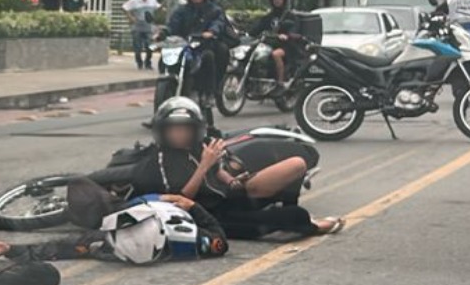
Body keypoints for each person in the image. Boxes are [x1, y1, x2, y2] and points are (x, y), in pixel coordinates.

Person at [107, 97, 343, 239]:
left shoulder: (198, 147)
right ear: (163, 130)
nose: (180, 134)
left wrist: (232, 179)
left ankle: (287, 208)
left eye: (185, 129)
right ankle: (309, 224)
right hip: (212, 214)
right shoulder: (160, 159)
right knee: (292, 216)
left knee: (296, 165)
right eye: (174, 129)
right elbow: (181, 199)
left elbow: (218, 173)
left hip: (228, 197)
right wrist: (204, 166)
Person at [0, 188, 228, 264]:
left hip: (135, 211)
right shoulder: (193, 236)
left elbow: (61, 247)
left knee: (82, 192)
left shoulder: (106, 245)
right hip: (154, 202)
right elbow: (220, 238)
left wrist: (11, 250)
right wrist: (192, 205)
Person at [166, 0, 227, 100]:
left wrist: (211, 32)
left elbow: (218, 22)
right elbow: (172, 26)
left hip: (203, 45)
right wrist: (162, 33)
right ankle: (170, 82)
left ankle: (208, 93)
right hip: (183, 45)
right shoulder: (181, 10)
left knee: (209, 56)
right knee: (167, 56)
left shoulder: (214, 10)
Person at [249, 0, 304, 94]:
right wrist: (246, 33)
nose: (277, 1)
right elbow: (259, 27)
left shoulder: (290, 16)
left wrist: (287, 35)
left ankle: (280, 83)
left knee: (276, 54)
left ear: (285, 0)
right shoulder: (270, 15)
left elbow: (295, 29)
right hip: (271, 43)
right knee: (254, 52)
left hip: (288, 46)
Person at [122, 0, 160, 70]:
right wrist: (130, 17)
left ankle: (148, 62)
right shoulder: (135, 0)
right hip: (138, 25)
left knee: (150, 46)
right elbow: (124, 7)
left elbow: (157, 8)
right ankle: (139, 62)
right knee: (137, 46)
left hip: (148, 25)